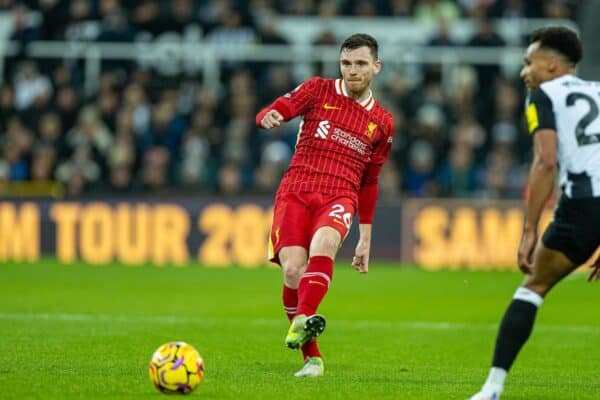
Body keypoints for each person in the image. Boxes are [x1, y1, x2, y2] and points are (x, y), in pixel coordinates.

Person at [469, 26, 600, 400]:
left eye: (529, 62)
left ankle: (492, 388)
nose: (525, 71)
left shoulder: (543, 96)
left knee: (533, 287)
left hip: (581, 205)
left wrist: (530, 229)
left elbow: (545, 163)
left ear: (552, 64)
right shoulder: (599, 92)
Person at [255, 33, 394, 378]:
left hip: (339, 194)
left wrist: (366, 236)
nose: (353, 71)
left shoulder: (384, 123)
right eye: (346, 63)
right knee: (291, 271)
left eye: (361, 63)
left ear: (376, 67)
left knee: (325, 245)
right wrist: (268, 116)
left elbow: (371, 182)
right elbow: (277, 108)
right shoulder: (318, 89)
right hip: (296, 189)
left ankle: (303, 325)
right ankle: (311, 355)